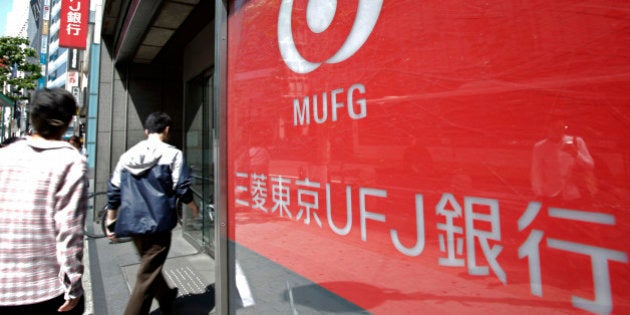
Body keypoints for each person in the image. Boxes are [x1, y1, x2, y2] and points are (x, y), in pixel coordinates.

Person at [0, 88, 88, 314]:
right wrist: (74, 285)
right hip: (44, 288)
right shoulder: (69, 160)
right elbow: (69, 231)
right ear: (68, 121)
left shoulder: (6, 153)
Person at [105, 111, 200, 315]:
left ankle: (166, 297)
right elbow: (181, 187)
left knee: (150, 266)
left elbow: (114, 189)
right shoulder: (173, 154)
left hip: (131, 223)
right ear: (166, 130)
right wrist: (193, 207)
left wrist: (110, 219)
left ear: (146, 131)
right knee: (147, 275)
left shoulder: (127, 156)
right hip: (158, 222)